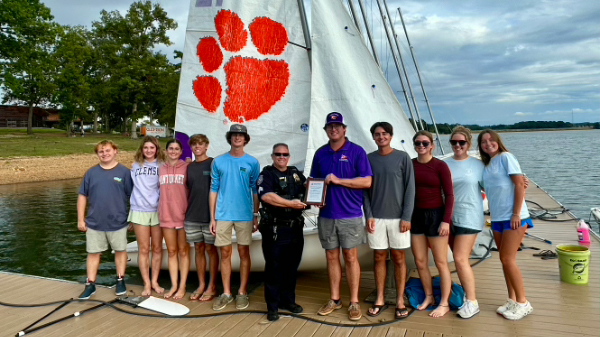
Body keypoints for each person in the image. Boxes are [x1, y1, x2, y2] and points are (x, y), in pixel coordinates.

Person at [309, 112, 373, 321]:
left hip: (350, 214)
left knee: (351, 257)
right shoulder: (320, 153)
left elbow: (366, 182)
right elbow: (315, 182)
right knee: (331, 256)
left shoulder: (356, 151)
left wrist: (338, 180)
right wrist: (312, 196)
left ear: (344, 129)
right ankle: (335, 299)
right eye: (330, 126)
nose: (334, 129)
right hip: (326, 214)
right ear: (326, 130)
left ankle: (354, 301)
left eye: (337, 126)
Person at [478, 129, 533, 320]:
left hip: (514, 217)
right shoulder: (486, 164)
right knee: (503, 260)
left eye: (491, 140)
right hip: (498, 218)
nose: (488, 144)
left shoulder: (505, 157)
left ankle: (523, 303)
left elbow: (519, 184)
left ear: (497, 141)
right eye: (483, 142)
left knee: (509, 260)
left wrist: (516, 213)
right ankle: (512, 299)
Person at [363, 122, 415, 319]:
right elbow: (365, 192)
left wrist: (406, 217)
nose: (381, 137)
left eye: (385, 133)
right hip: (375, 218)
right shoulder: (368, 159)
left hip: (398, 218)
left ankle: (400, 300)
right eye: (377, 134)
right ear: (374, 137)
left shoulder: (403, 157)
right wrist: (368, 215)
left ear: (391, 136)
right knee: (378, 257)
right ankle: (380, 299)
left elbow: (411, 189)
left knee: (399, 258)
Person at [209, 124, 260, 311]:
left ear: (245, 139)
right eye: (234, 135)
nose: (237, 138)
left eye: (241, 135)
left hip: (245, 214)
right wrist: (212, 218)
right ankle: (227, 293)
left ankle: (242, 292)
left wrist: (256, 214)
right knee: (225, 253)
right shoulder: (218, 162)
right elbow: (213, 190)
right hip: (222, 214)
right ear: (229, 138)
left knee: (244, 253)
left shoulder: (253, 162)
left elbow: (255, 190)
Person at [257, 143, 307, 321]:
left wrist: (319, 193)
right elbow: (266, 196)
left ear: (289, 156)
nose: (281, 157)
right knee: (274, 268)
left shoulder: (295, 173)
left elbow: (308, 188)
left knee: (291, 267)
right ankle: (273, 306)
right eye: (278, 154)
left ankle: (288, 301)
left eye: (285, 154)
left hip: (295, 227)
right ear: (272, 156)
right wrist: (291, 203)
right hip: (275, 228)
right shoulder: (267, 174)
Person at [77, 140, 133, 299]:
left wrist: (133, 219)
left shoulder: (124, 172)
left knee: (121, 251)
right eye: (101, 151)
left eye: (108, 150)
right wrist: (80, 220)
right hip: (94, 222)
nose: (104, 154)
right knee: (93, 253)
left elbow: (134, 197)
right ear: (97, 154)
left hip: (119, 221)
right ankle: (90, 284)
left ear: (115, 151)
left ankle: (120, 280)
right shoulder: (91, 173)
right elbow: (82, 196)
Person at [411, 130, 454, 318]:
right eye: (418, 143)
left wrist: (446, 221)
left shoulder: (440, 166)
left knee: (441, 262)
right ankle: (429, 296)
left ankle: (444, 302)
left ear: (432, 146)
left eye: (425, 143)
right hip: (415, 216)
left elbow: (450, 195)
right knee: (420, 261)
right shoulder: (410, 165)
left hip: (436, 216)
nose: (421, 146)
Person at [444, 126, 484, 319]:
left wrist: (519, 184)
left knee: (460, 259)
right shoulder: (444, 164)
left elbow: (494, 185)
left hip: (470, 216)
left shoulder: (478, 165)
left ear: (468, 143)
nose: (458, 145)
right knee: (460, 260)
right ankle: (465, 296)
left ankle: (472, 302)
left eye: (462, 142)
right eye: (454, 142)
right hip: (448, 218)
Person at [129, 136, 166, 297]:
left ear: (156, 149)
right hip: (139, 211)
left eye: (152, 148)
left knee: (157, 248)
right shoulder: (135, 166)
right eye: (146, 148)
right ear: (141, 149)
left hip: (157, 211)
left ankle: (155, 281)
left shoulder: (162, 165)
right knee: (143, 249)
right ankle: (146, 284)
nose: (149, 150)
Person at [185, 134, 219, 302]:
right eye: (194, 144)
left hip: (210, 216)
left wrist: (217, 216)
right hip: (192, 215)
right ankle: (201, 284)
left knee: (211, 250)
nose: (197, 147)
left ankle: (212, 285)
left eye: (200, 144)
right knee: (198, 249)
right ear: (191, 147)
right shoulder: (189, 167)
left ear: (206, 146)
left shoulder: (214, 164)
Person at [159, 139, 190, 300]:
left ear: (181, 151)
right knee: (172, 251)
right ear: (166, 150)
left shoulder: (187, 167)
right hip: (165, 215)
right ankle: (174, 285)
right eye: (170, 148)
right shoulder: (161, 169)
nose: (173, 151)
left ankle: (183, 286)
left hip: (183, 216)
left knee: (183, 251)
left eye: (176, 149)